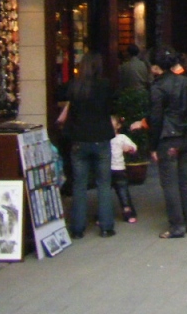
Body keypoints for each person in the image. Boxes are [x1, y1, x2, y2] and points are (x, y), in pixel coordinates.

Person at [147, 49, 187, 238]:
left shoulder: (157, 87)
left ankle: (177, 225)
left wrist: (153, 145)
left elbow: (155, 118)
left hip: (168, 138)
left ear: (156, 67)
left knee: (169, 183)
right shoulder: (185, 81)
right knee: (185, 180)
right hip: (186, 135)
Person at [63, 52, 116, 238]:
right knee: (104, 183)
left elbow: (63, 99)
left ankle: (77, 228)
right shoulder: (105, 85)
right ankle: (106, 226)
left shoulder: (75, 86)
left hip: (79, 138)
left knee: (79, 184)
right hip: (101, 137)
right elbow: (112, 108)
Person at [109, 115, 138, 223]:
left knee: (123, 191)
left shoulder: (121, 137)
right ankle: (103, 214)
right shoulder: (103, 139)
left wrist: (130, 148)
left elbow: (134, 147)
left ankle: (128, 212)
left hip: (118, 168)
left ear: (118, 126)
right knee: (104, 193)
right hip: (105, 168)